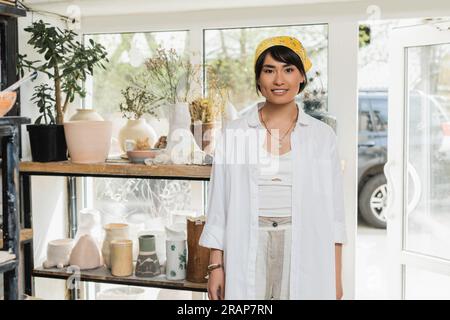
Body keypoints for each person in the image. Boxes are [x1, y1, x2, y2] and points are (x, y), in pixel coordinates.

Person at [199, 36, 347, 300]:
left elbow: (335, 216)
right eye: (269, 70)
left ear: (301, 77)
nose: (279, 80)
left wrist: (335, 277)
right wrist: (216, 266)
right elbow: (219, 206)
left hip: (303, 243)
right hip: (247, 242)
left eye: (288, 70)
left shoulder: (322, 137)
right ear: (259, 80)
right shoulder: (236, 134)